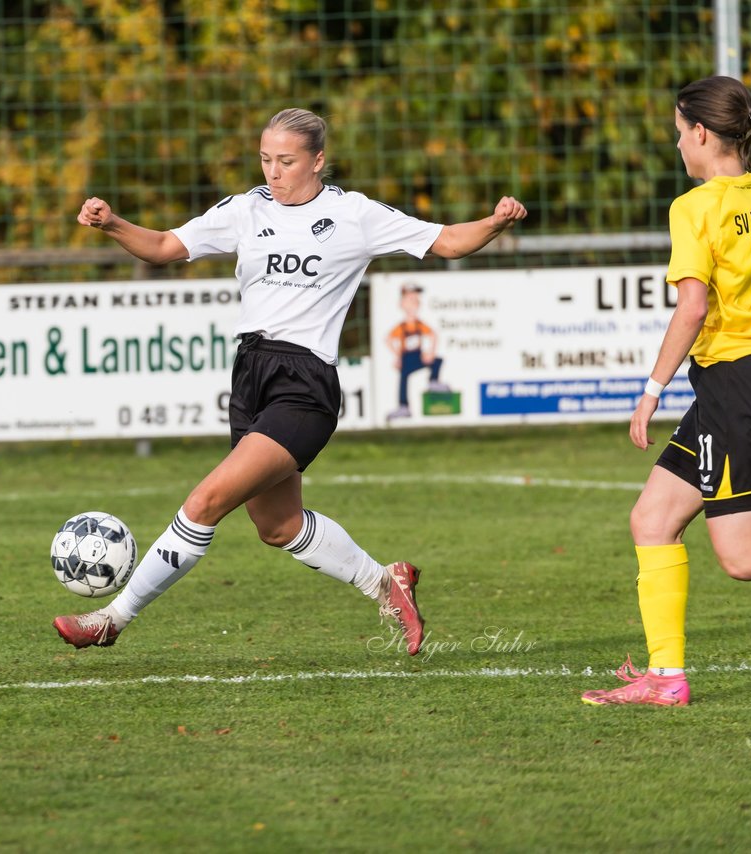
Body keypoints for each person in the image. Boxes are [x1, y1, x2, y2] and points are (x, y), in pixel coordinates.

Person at [53, 108, 527, 655]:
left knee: (205, 501)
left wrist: (493, 223)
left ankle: (112, 618)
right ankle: (385, 582)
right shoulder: (245, 209)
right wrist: (113, 224)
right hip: (250, 374)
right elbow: (163, 247)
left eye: (286, 161)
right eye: (265, 160)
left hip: (305, 383)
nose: (273, 173)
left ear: (318, 161)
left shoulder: (354, 214)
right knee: (277, 525)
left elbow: (445, 240)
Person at [582, 75, 751, 706]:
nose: (678, 149)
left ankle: (666, 680)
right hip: (744, 382)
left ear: (700, 133)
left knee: (742, 558)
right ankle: (666, 679)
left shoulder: (695, 207)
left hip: (736, 384)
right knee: (653, 518)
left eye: (677, 135)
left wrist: (651, 388)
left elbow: (691, 307)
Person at [386, 283, 451, 421]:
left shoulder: (419, 324)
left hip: (418, 355)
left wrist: (430, 352)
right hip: (406, 357)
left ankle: (433, 382)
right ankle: (404, 406)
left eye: (416, 300)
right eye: (410, 300)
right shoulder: (401, 327)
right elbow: (389, 339)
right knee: (403, 378)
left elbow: (433, 335)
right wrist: (397, 356)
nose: (414, 303)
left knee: (437, 361)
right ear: (402, 304)